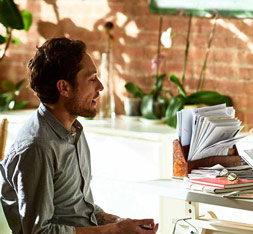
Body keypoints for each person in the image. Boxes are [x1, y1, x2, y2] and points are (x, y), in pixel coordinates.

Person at [0, 38, 158, 234]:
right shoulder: (38, 148)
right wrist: (113, 230)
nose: (100, 87)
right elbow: (39, 232)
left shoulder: (73, 130)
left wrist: (122, 222)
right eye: (92, 79)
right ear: (64, 88)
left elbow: (79, 209)